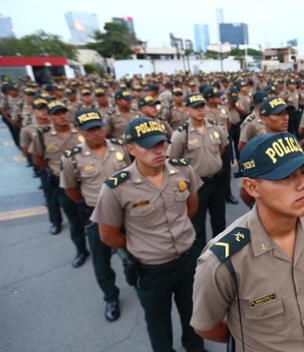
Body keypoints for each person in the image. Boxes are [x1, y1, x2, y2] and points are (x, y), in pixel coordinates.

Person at [191, 132, 304, 352]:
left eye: (303, 172)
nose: (303, 184)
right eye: (285, 177)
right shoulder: (223, 261)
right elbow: (206, 326)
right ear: (252, 187)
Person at [91, 117, 205, 352]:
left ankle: (194, 347)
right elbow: (108, 235)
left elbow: (192, 207)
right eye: (150, 146)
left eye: (161, 143)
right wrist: (142, 245)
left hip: (187, 259)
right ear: (130, 149)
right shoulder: (116, 188)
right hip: (151, 269)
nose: (159, 150)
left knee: (193, 312)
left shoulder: (183, 170)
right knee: (158, 322)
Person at [60, 108, 131, 322]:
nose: (96, 133)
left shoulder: (120, 148)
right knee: (101, 262)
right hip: (96, 215)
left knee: (136, 251)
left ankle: (138, 281)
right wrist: (90, 204)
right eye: (90, 130)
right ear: (81, 131)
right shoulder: (72, 157)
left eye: (99, 128)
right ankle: (111, 296)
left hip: (126, 211)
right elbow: (71, 190)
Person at [168, 93, 228, 253]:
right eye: (196, 108)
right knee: (198, 225)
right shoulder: (182, 133)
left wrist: (212, 163)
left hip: (216, 181)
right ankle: (200, 259)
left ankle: (220, 255)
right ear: (188, 110)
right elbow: (173, 160)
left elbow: (222, 148)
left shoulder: (215, 128)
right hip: (196, 186)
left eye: (202, 106)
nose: (200, 111)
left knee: (219, 221)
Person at [32, 101, 89, 266]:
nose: (62, 116)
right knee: (74, 220)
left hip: (86, 182)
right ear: (50, 117)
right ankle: (81, 250)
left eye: (64, 112)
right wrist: (57, 172)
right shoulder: (43, 135)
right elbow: (38, 159)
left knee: (94, 217)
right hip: (63, 185)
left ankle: (103, 244)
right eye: (57, 113)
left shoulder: (81, 131)